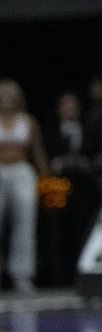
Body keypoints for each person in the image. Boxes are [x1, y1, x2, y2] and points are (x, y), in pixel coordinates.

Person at [0, 80, 47, 293]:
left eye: (11, 95)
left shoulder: (27, 121)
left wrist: (45, 175)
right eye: (4, 95)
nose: (7, 99)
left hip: (21, 171)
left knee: (25, 223)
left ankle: (22, 275)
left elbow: (37, 150)